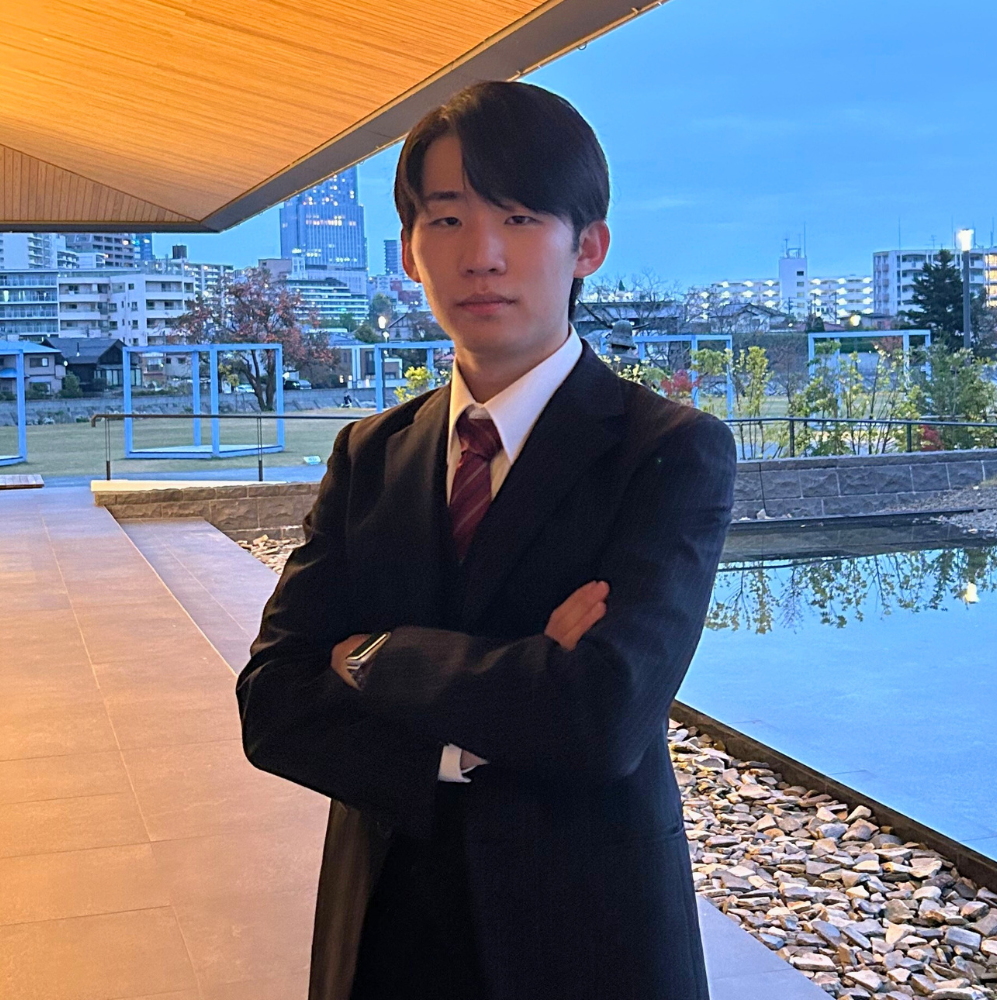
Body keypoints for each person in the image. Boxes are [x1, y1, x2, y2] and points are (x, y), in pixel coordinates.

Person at [236, 80, 736, 1000]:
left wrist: (378, 657)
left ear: (588, 246)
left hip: (586, 937)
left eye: (519, 217)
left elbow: (602, 719)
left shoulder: (668, 451)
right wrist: (501, 705)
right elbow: (272, 704)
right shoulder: (371, 453)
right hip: (382, 928)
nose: (482, 256)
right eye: (448, 219)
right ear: (409, 251)